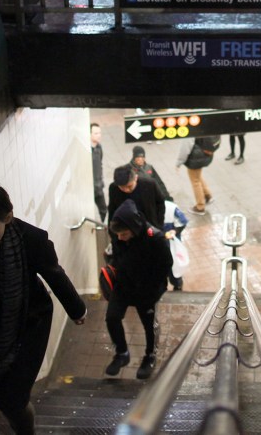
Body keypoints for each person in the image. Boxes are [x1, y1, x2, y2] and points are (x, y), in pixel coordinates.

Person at [0, 184, 86, 434]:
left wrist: (77, 310)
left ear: (7, 217)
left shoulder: (32, 239)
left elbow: (54, 274)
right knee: (1, 392)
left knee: (14, 399)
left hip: (30, 324)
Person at [104, 199, 173, 379]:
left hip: (146, 290)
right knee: (112, 317)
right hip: (123, 285)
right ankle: (122, 353)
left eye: (124, 234)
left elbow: (166, 264)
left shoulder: (155, 238)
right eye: (118, 235)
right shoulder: (119, 235)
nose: (120, 238)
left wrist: (152, 287)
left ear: (134, 228)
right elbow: (116, 256)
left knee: (149, 325)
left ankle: (150, 356)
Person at [107, 164, 164, 229]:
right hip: (125, 229)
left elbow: (160, 203)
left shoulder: (150, 184)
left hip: (149, 226)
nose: (126, 190)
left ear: (136, 178)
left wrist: (159, 225)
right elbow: (112, 209)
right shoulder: (113, 188)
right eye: (122, 187)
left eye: (129, 186)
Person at [176, 136, 218, 214]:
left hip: (195, 157)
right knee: (197, 176)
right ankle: (207, 196)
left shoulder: (188, 128)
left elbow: (185, 148)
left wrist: (178, 162)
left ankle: (200, 207)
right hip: (205, 154)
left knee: (195, 181)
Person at [91, 122, 106, 221]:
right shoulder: (87, 150)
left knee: (104, 209)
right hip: (90, 187)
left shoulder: (99, 147)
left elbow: (100, 164)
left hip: (98, 186)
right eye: (96, 133)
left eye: (99, 133)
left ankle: (103, 225)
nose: (99, 135)